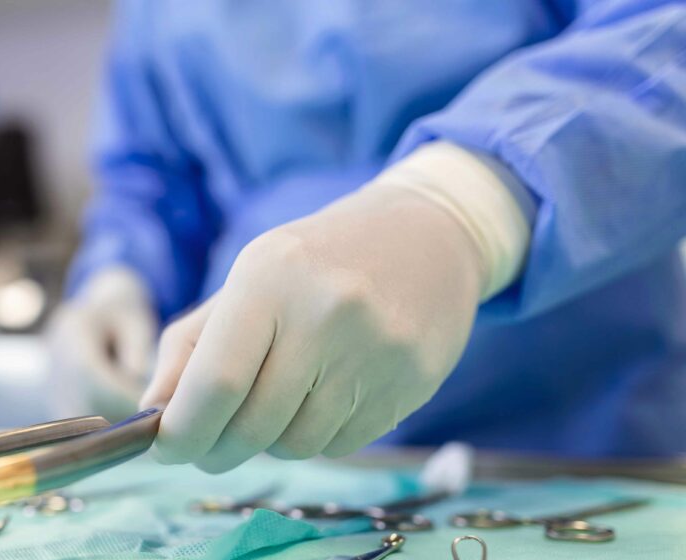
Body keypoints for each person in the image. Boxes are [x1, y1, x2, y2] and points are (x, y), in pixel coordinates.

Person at [52, 0, 686, 470]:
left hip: (569, 439)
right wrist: (120, 275)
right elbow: (153, 171)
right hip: (257, 456)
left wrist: (467, 204)